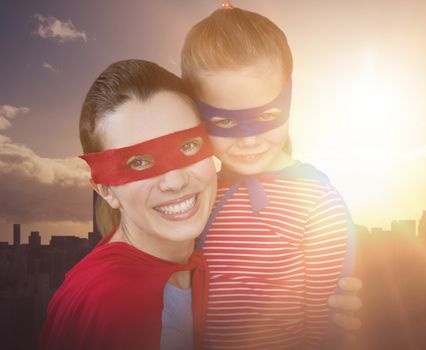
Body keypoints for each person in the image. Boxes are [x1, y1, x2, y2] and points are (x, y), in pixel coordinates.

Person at [182, 5, 359, 349]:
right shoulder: (195, 195)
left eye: (267, 114)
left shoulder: (317, 205)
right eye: (225, 122)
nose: (249, 140)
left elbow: (324, 330)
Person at [40, 59, 218, 350]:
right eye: (139, 163)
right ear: (106, 190)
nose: (173, 181)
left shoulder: (197, 262)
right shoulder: (112, 302)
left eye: (188, 146)